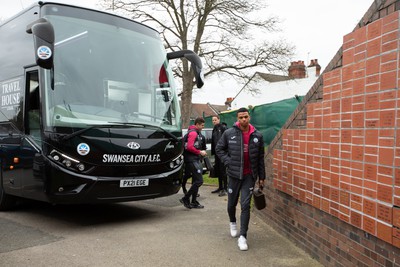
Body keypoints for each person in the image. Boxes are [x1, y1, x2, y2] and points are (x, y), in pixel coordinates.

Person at [216, 107, 265, 251]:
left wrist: (262, 176)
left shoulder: (258, 136)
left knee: (245, 205)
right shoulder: (229, 133)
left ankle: (243, 236)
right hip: (234, 175)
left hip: (249, 176)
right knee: (231, 204)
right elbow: (219, 149)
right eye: (241, 117)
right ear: (237, 119)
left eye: (246, 117)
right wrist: (228, 161)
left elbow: (261, 158)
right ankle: (232, 222)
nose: (243, 119)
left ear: (249, 117)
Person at [180, 117, 207, 209]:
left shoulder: (194, 132)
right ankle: (186, 198)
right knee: (199, 181)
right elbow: (190, 147)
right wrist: (200, 152)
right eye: (202, 125)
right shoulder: (193, 133)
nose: (203, 127)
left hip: (193, 159)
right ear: (197, 124)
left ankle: (194, 201)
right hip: (192, 160)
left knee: (195, 181)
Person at [210, 115, 228, 196]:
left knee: (223, 171)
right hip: (217, 154)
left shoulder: (223, 128)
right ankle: (220, 187)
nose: (214, 121)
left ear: (219, 120)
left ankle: (225, 188)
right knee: (218, 171)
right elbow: (213, 142)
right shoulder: (214, 129)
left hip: (223, 154)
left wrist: (225, 152)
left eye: (215, 120)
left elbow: (226, 140)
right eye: (213, 120)